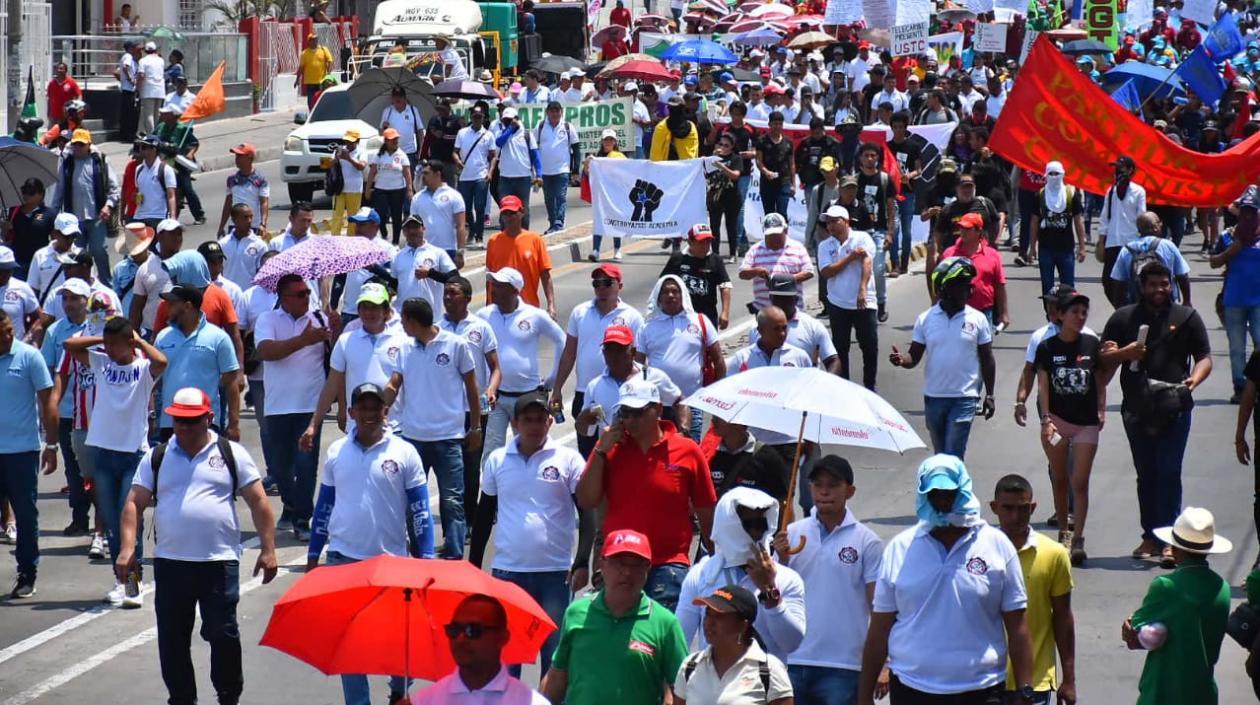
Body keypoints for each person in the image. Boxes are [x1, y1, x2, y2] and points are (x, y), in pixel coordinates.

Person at [116, 387, 277, 705]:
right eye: (179, 421)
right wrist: (127, 547)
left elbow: (259, 502)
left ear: (209, 418)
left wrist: (269, 550)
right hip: (172, 563)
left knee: (223, 632)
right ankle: (181, 698)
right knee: (173, 640)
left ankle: (229, 695)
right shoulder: (158, 456)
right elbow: (134, 502)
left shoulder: (231, 454)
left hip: (218, 563)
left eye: (192, 421)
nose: (185, 428)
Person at [857, 455, 1036, 705]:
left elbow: (1018, 627)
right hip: (912, 689)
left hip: (981, 689)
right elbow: (879, 629)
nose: (942, 499)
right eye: (934, 492)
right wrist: (864, 696)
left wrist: (1025, 690)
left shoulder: (996, 545)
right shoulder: (900, 548)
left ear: (963, 490)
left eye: (949, 492)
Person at [307, 382, 436, 705]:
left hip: (391, 563)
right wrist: (313, 553)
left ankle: (398, 690)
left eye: (375, 408)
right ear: (350, 412)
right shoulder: (337, 452)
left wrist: (428, 557)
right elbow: (325, 504)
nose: (369, 414)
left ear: (385, 412)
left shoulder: (404, 453)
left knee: (401, 644)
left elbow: (420, 509)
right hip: (343, 560)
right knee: (351, 647)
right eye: (362, 408)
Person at [468, 392, 593, 676]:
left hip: (555, 574)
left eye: (540, 419)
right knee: (507, 660)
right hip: (508, 574)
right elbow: (484, 514)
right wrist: (473, 567)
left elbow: (587, 513)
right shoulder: (497, 461)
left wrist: (583, 560)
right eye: (528, 420)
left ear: (550, 422)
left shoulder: (569, 460)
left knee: (554, 659)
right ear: (515, 423)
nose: (534, 426)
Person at [1100, 261, 1212, 568]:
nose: (1159, 290)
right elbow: (1103, 358)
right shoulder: (1123, 318)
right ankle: (1149, 534)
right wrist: (1126, 354)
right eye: (1153, 285)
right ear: (1141, 286)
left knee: (1169, 472)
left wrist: (1195, 379)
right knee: (1146, 473)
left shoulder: (1186, 317)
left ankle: (1169, 540)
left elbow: (1204, 358)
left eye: (1164, 284)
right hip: (1136, 408)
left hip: (1175, 407)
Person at [576, 377, 717, 611]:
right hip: (619, 563)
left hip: (667, 565)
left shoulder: (687, 451)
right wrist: (601, 450)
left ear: (658, 409)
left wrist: (716, 562)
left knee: (656, 642)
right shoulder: (610, 448)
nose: (630, 420)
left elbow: (706, 510)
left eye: (638, 413)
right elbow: (586, 499)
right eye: (625, 413)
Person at [62, 317, 167, 607]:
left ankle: (134, 584)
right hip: (103, 453)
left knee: (128, 519)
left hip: (133, 453)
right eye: (106, 344)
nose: (108, 349)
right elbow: (69, 345)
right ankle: (120, 581)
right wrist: (101, 341)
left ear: (129, 344)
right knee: (110, 521)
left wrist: (139, 341)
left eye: (113, 344)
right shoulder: (101, 363)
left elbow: (162, 361)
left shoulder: (142, 369)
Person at [775, 455, 886, 705]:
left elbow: (879, 607)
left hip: (844, 666)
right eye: (817, 484)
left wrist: (884, 663)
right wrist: (780, 561)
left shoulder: (867, 541)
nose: (824, 492)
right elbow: (773, 596)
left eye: (833, 485)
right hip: (793, 660)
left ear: (850, 491)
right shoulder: (791, 535)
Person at [541, 529, 690, 705]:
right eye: (619, 563)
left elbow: (682, 689)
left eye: (636, 564)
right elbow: (558, 675)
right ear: (602, 565)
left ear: (647, 569)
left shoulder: (665, 623)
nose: (627, 572)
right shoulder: (576, 613)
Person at [384, 298, 481, 559]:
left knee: (452, 500)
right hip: (413, 438)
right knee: (413, 501)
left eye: (403, 320)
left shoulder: (456, 344)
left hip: (449, 438)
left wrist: (475, 428)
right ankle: (419, 552)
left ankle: (454, 552)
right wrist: (380, 406)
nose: (401, 324)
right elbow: (394, 383)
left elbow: (472, 387)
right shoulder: (404, 348)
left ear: (414, 322)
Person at [676, 488, 806, 660]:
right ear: (729, 525)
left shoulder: (786, 578)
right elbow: (679, 640)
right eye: (748, 524)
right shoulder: (702, 574)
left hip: (763, 683)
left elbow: (791, 643)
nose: (756, 533)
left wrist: (769, 590)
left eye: (761, 524)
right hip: (714, 683)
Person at [889, 257, 996, 459]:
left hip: (965, 398)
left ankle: (953, 490)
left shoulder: (978, 319)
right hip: (934, 398)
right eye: (963, 286)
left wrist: (989, 395)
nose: (970, 290)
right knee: (940, 456)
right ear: (945, 288)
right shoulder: (926, 319)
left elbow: (987, 359)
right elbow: (914, 356)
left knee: (953, 456)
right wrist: (902, 360)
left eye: (970, 285)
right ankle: (944, 491)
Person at [1122, 507, 1231, 705]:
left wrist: (1131, 629)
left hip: (1163, 694)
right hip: (1203, 695)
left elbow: (1133, 637)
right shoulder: (1223, 588)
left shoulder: (1166, 586)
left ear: (1176, 547)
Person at [988, 474, 1077, 705]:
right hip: (985, 680)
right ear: (994, 508)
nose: (1015, 516)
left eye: (1023, 509)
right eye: (1007, 508)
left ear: (1033, 507)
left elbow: (1063, 617)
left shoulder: (1053, 554)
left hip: (1034, 684)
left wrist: (1069, 679)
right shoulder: (979, 552)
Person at [1033, 289, 1104, 566]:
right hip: (1057, 422)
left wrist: (1100, 407)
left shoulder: (1091, 345)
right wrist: (1046, 420)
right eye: (1074, 312)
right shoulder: (1047, 348)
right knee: (1060, 479)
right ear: (1060, 315)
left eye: (1084, 312)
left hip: (1086, 423)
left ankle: (1078, 539)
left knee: (1080, 481)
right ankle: (1063, 531)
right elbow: (1043, 386)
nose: (1080, 316)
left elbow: (1099, 379)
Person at [549, 264, 645, 454]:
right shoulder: (580, 312)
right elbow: (569, 354)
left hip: (620, 393)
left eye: (607, 282)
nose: (601, 287)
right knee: (588, 453)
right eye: (597, 283)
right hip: (585, 392)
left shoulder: (632, 316)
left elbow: (639, 357)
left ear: (619, 286)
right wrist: (557, 388)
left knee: (621, 452)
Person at [476, 268, 565, 458]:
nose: (494, 289)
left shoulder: (534, 315)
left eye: (500, 286)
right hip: (496, 399)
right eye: (493, 284)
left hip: (528, 398)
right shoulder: (483, 316)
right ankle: (491, 489)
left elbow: (562, 341)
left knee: (531, 447)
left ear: (515, 290)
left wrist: (552, 379)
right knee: (491, 450)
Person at [0, 309, 58, 599]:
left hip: (22, 451)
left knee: (25, 514)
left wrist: (52, 445)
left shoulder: (29, 356)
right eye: (3, 333)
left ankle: (27, 572)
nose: (9, 336)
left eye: (10, 330)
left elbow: (48, 400)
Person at [439, 276, 501, 526]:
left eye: (453, 293)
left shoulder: (481, 328)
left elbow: (496, 367)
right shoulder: (436, 327)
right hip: (444, 410)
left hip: (473, 410)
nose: (447, 298)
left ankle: (469, 521)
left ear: (467, 297)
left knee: (470, 466)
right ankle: (452, 522)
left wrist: (491, 389)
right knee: (448, 470)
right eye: (445, 293)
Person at [411, 595, 551, 704]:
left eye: (472, 630)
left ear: (502, 638)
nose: (460, 639)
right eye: (454, 630)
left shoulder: (531, 702)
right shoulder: (424, 700)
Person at [637, 274, 725, 441]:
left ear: (682, 294)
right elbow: (637, 366)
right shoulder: (647, 327)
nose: (671, 295)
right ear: (658, 297)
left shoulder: (700, 321)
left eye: (675, 291)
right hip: (658, 406)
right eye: (666, 292)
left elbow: (719, 360)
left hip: (693, 402)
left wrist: (720, 394)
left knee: (690, 451)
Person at [674, 585, 795, 705]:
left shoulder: (770, 670)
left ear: (743, 625)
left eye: (719, 616)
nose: (709, 622)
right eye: (708, 613)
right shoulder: (690, 666)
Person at [818, 205, 878, 390]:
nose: (831, 226)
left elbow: (866, 261)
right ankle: (844, 387)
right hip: (838, 302)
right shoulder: (825, 245)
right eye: (828, 222)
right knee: (840, 348)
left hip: (864, 302)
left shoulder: (862, 238)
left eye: (835, 221)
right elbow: (827, 272)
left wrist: (862, 290)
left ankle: (870, 386)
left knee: (869, 346)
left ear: (846, 221)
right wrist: (850, 257)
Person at [50, 129, 120, 286]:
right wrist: (53, 216)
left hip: (96, 218)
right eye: (75, 144)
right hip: (74, 222)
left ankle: (107, 285)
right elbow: (59, 191)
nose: (77, 148)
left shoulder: (100, 161)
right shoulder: (67, 163)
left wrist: (108, 206)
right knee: (76, 256)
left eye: (81, 144)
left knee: (99, 251)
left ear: (89, 145)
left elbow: (114, 188)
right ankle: (78, 286)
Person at [1211, 190, 1260, 402]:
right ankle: (1239, 387)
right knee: (1237, 348)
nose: (1248, 217)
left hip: (1258, 301)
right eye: (1244, 212)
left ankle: (1256, 385)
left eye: (1252, 212)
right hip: (1234, 300)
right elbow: (1214, 261)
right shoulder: (1228, 236)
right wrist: (1232, 251)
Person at [484, 195, 556, 316]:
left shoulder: (535, 240)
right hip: (499, 309)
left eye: (512, 213)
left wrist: (551, 304)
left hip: (528, 308)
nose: (508, 217)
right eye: (505, 213)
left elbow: (545, 275)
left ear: (521, 213)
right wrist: (488, 305)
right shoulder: (493, 241)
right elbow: (490, 278)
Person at [940, 213, 1010, 329]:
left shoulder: (992, 255)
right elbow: (939, 285)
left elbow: (999, 286)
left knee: (984, 346)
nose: (963, 231)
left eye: (967, 229)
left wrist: (1004, 313)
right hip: (954, 312)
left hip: (984, 312)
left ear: (979, 231)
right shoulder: (949, 254)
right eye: (961, 228)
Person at [1109, 212, 1192, 307]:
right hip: (1166, 303)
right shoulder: (1167, 245)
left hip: (1136, 305)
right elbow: (1182, 275)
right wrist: (1187, 301)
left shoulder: (1127, 249)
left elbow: (1118, 282)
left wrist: (1119, 308)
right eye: (1159, 222)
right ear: (1155, 227)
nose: (1161, 224)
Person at [1028, 161, 1087, 295]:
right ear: (1046, 175)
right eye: (1051, 174)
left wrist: (1082, 247)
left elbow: (1078, 221)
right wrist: (1032, 248)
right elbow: (1034, 222)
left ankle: (1066, 314)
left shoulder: (1071, 195)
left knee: (1068, 287)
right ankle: (1051, 315)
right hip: (1046, 248)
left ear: (1062, 175)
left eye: (1057, 174)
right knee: (1047, 287)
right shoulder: (1040, 195)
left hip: (1066, 248)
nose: (1054, 177)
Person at [661, 224, 732, 329]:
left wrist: (725, 312)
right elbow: (663, 284)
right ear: (690, 242)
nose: (705, 246)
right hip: (681, 316)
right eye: (701, 242)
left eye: (708, 242)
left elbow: (725, 286)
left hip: (707, 316)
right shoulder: (678, 259)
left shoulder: (715, 260)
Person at [740, 214, 814, 312]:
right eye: (770, 235)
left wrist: (784, 281)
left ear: (785, 231)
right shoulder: (755, 249)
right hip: (764, 310)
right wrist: (756, 271)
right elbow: (742, 273)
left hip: (793, 309)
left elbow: (809, 272)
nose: (774, 238)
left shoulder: (798, 248)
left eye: (777, 234)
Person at [1099, 156, 1148, 307]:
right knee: (1108, 282)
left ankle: (1131, 312)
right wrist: (1102, 241)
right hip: (1113, 242)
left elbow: (1142, 216)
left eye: (1121, 167)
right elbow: (1105, 217)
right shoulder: (1111, 191)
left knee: (1130, 282)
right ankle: (1122, 311)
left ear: (1130, 170)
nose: (1117, 170)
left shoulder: (1138, 191)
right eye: (1116, 167)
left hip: (1131, 243)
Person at [152, 105, 205, 226]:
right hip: (164, 161)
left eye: (165, 113)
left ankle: (199, 215)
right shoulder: (160, 127)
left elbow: (194, 143)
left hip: (179, 163)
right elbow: (153, 139)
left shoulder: (182, 129)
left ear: (173, 115)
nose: (162, 115)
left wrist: (190, 153)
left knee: (187, 188)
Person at [410, 160, 468, 267]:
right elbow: (412, 227)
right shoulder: (417, 198)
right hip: (424, 250)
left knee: (449, 283)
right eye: (423, 173)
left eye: (427, 173)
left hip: (449, 249)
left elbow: (460, 226)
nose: (423, 177)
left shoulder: (454, 196)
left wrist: (460, 252)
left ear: (438, 174)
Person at [492, 107, 542, 229]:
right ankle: (505, 236)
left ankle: (524, 234)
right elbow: (499, 142)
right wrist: (510, 128)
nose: (507, 123)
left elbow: (536, 156)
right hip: (505, 178)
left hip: (523, 178)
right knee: (505, 209)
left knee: (523, 209)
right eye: (505, 121)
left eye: (510, 120)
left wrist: (539, 175)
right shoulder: (501, 133)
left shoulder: (527, 135)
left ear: (516, 119)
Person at [453, 106, 496, 247]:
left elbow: (493, 156)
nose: (477, 119)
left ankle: (479, 236)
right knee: (465, 207)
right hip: (465, 176)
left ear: (483, 118)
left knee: (480, 206)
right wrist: (457, 160)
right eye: (475, 116)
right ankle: (472, 228)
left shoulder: (488, 135)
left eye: (480, 117)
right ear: (471, 117)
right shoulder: (462, 133)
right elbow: (455, 151)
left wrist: (490, 172)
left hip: (481, 176)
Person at [537, 102, 580, 234]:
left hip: (562, 169)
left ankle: (559, 222)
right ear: (547, 112)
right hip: (545, 171)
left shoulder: (567, 127)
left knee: (560, 196)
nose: (555, 114)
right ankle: (552, 223)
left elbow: (576, 148)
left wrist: (575, 170)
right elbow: (534, 147)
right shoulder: (540, 126)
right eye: (552, 111)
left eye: (557, 111)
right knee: (549, 198)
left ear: (561, 112)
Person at [366, 128, 414, 245]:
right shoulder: (379, 155)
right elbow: (372, 172)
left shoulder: (401, 155)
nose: (395, 141)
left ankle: (395, 242)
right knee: (380, 215)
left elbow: (407, 173)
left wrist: (409, 189)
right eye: (392, 140)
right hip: (381, 189)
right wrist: (368, 189)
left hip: (397, 190)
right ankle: (384, 234)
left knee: (397, 216)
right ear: (386, 141)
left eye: (396, 139)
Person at [587, 129, 628, 261]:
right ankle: (596, 250)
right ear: (602, 141)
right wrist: (588, 163)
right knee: (599, 220)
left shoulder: (620, 156)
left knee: (616, 220)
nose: (608, 142)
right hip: (601, 194)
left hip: (616, 194)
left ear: (615, 141)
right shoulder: (596, 157)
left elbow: (628, 172)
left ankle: (617, 249)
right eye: (606, 139)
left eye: (611, 139)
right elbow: (588, 174)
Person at [4, 178, 54, 279]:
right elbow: (7, 237)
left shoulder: (49, 214)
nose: (26, 195)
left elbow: (55, 238)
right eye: (24, 191)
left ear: (41, 194)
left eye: (31, 192)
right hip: (18, 262)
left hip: (40, 262)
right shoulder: (14, 211)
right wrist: (5, 228)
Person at [217, 144, 270, 236]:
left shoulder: (260, 179)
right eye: (236, 156)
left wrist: (263, 224)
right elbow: (228, 203)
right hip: (235, 226)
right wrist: (221, 226)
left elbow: (264, 202)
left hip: (253, 226)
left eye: (240, 156)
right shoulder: (232, 179)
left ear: (249, 157)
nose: (236, 159)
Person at [707, 132, 745, 262]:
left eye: (726, 145)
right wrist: (712, 158)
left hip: (731, 196)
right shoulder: (712, 158)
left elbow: (735, 175)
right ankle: (715, 253)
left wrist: (722, 167)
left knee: (731, 225)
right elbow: (704, 173)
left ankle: (733, 253)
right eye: (721, 144)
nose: (723, 147)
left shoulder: (736, 158)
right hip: (715, 196)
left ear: (732, 147)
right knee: (714, 225)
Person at [131, 135, 177, 229]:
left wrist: (172, 218)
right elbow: (138, 192)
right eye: (140, 147)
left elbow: (171, 196)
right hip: (140, 217)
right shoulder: (139, 169)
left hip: (159, 216)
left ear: (154, 149)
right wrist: (136, 197)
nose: (140, 150)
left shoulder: (165, 169)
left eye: (144, 147)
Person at [218, 205, 268, 291]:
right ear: (234, 220)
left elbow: (263, 273)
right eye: (245, 217)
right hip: (227, 294)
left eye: (251, 217)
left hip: (249, 295)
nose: (249, 221)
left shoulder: (260, 245)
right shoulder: (222, 244)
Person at [755, 112, 795, 217]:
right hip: (767, 183)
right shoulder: (761, 141)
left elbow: (791, 164)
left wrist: (793, 184)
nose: (777, 126)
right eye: (775, 124)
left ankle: (784, 233)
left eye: (780, 124)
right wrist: (766, 172)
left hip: (784, 182)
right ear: (769, 124)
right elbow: (758, 161)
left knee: (782, 213)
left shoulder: (788, 142)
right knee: (769, 215)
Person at [330, 129, 367, 237]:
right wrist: (336, 158)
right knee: (337, 214)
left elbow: (361, 166)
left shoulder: (361, 152)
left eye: (351, 141)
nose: (348, 144)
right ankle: (335, 238)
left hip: (354, 189)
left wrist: (349, 158)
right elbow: (327, 165)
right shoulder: (339, 150)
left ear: (357, 141)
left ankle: (351, 238)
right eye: (347, 141)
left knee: (353, 216)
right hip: (339, 188)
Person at [0, 248, 40, 342]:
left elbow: (38, 318)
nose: (5, 274)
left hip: (14, 349)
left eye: (9, 270)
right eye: (1, 270)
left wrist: (28, 338)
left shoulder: (22, 287)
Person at [379, 87, 425, 167]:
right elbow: (381, 133)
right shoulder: (387, 111)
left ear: (404, 98)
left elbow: (420, 131)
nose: (397, 98)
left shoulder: (413, 110)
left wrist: (421, 150)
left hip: (410, 152)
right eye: (395, 96)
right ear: (392, 98)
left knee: (410, 177)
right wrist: (383, 128)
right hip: (392, 152)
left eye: (400, 96)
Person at [296, 33, 334, 109]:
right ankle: (312, 116)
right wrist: (297, 79)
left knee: (320, 100)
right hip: (310, 83)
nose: (315, 41)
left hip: (321, 82)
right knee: (310, 102)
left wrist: (328, 74)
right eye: (313, 40)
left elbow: (330, 61)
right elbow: (301, 68)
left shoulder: (323, 50)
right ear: (309, 42)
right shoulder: (305, 53)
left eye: (316, 39)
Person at [137, 42, 166, 136]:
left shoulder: (143, 61)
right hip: (160, 89)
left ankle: (151, 135)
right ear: (155, 50)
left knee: (149, 114)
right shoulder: (161, 60)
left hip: (148, 88)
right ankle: (157, 133)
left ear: (145, 51)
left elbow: (141, 75)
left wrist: (137, 87)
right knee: (157, 113)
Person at [117, 41, 141, 143]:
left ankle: (126, 134)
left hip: (129, 89)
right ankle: (127, 135)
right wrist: (131, 79)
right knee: (129, 113)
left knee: (129, 113)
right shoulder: (127, 56)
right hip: (128, 89)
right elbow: (125, 67)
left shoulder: (132, 58)